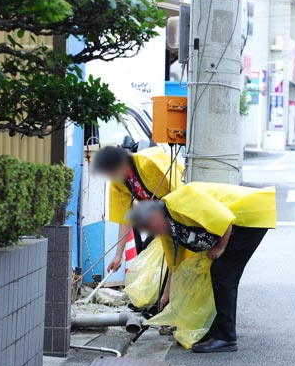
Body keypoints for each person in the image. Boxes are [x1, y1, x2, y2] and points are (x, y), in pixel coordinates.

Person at [127, 182, 277, 353]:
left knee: (223, 273)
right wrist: (166, 295)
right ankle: (217, 330)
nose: (152, 232)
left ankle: (226, 337)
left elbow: (225, 219)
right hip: (240, 221)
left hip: (251, 215)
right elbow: (174, 263)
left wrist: (220, 248)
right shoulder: (168, 228)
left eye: (149, 227)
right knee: (217, 274)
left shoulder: (179, 202)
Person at [92, 146, 184, 271]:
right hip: (162, 220)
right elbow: (124, 219)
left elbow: (181, 192)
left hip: (181, 214)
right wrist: (118, 255)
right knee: (156, 259)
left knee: (175, 262)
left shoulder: (148, 163)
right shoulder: (118, 184)